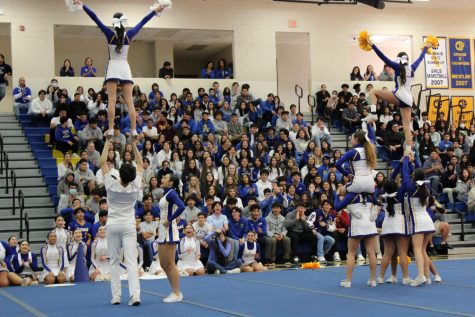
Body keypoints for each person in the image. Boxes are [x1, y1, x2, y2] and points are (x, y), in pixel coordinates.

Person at [74, 0, 169, 138]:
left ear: (113, 23)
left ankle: (111, 128)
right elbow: (143, 21)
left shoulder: (109, 34)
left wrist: (82, 5)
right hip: (124, 67)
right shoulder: (129, 35)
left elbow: (95, 17)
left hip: (113, 66)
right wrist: (156, 10)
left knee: (112, 101)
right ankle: (134, 129)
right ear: (123, 23)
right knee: (129, 101)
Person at [367, 38, 434, 150]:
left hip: (399, 95)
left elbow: (382, 56)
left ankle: (373, 114)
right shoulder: (412, 67)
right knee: (407, 127)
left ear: (398, 59)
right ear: (407, 59)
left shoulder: (397, 67)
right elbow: (421, 58)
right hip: (408, 99)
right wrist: (426, 47)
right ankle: (408, 151)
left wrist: (372, 45)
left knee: (373, 92)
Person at [100, 138, 143, 306]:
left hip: (113, 225)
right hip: (128, 225)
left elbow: (103, 161)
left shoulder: (111, 183)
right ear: (132, 177)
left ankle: (116, 296)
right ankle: (135, 295)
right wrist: (133, 144)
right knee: (131, 261)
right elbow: (140, 163)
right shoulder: (135, 185)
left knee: (114, 261)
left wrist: (108, 141)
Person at [401, 155, 437, 286]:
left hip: (418, 221)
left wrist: (406, 159)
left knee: (417, 249)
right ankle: (427, 277)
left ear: (414, 177)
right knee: (423, 250)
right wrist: (414, 160)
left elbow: (405, 174)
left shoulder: (411, 188)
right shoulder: (426, 187)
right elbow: (420, 170)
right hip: (427, 220)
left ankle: (421, 275)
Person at [157, 172, 186, 302]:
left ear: (171, 183)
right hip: (163, 230)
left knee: (169, 263)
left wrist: (170, 219)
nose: (162, 179)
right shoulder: (166, 194)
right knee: (163, 264)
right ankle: (174, 291)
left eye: (165, 178)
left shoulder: (172, 193)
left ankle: (177, 293)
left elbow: (181, 206)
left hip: (169, 230)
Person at [377, 179, 412, 285]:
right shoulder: (400, 195)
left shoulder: (383, 196)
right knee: (402, 253)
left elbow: (389, 182)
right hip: (399, 225)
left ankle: (383, 277)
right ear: (396, 187)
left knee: (388, 253)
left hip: (387, 225)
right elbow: (406, 182)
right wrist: (403, 163)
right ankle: (405, 278)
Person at [336, 127, 377, 194]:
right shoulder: (369, 150)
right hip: (370, 183)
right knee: (369, 198)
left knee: (340, 192)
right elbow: (372, 137)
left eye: (352, 138)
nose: (350, 140)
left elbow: (337, 164)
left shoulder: (352, 152)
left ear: (356, 139)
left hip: (358, 182)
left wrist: (346, 174)